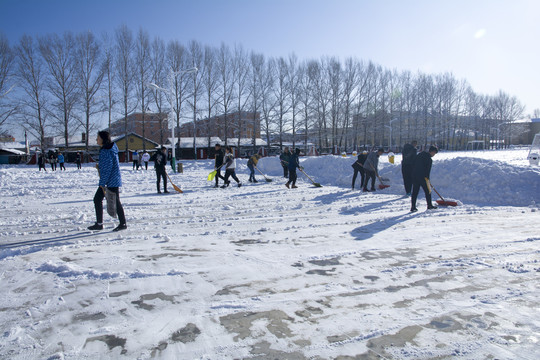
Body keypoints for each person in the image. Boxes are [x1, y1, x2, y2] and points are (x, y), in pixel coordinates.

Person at [88, 130, 127, 231]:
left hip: (110, 181)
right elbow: (107, 166)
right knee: (107, 201)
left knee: (108, 201)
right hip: (112, 179)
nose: (96, 139)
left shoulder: (106, 151)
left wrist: (102, 183)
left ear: (103, 139)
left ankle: (122, 224)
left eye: (98, 138)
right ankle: (101, 224)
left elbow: (107, 169)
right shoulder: (108, 149)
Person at [410, 146, 439, 212]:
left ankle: (413, 207)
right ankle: (429, 205)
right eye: (434, 153)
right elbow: (427, 171)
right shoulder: (429, 159)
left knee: (415, 192)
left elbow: (413, 164)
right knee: (428, 191)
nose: (434, 155)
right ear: (431, 151)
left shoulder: (419, 155)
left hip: (415, 176)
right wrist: (427, 179)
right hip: (423, 177)